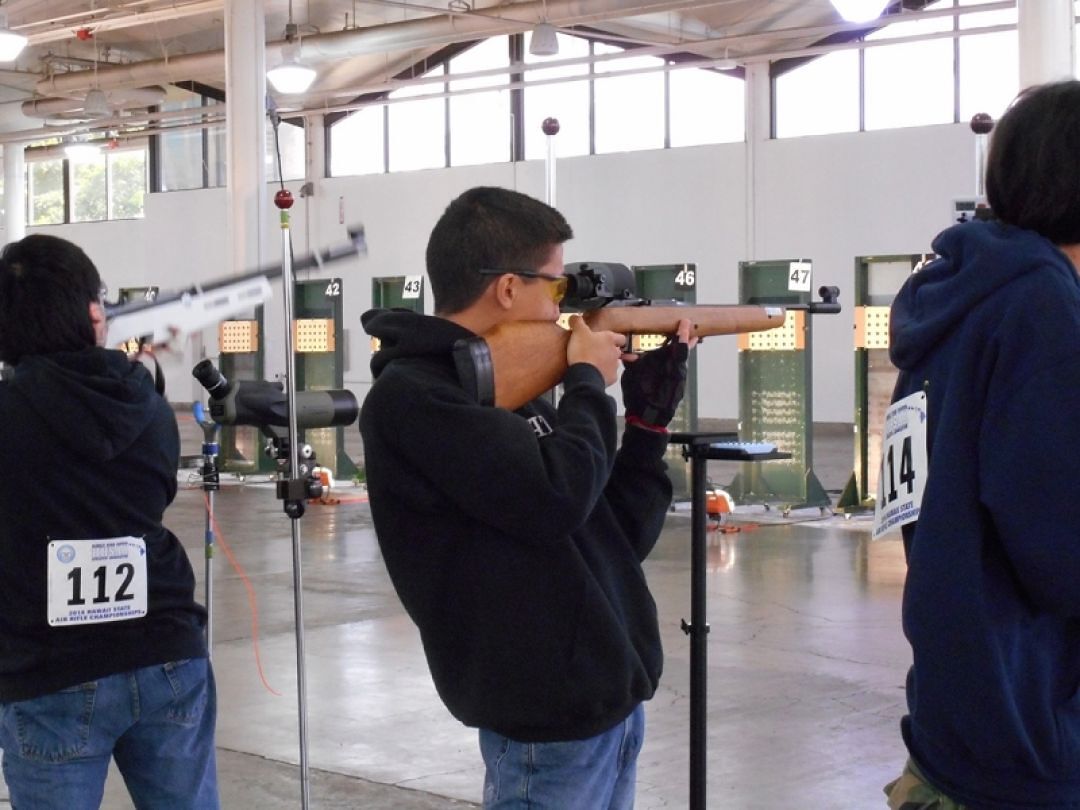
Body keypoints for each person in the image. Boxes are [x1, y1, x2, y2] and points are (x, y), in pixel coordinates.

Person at [359, 185, 693, 809]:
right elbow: (554, 501)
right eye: (557, 287)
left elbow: (614, 534)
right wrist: (588, 384)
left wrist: (647, 427)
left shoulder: (512, 389)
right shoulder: (416, 399)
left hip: (608, 714)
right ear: (509, 288)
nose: (564, 307)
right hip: (546, 726)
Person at [884, 79, 1080, 808]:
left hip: (959, 709)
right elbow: (1062, 546)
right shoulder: (1041, 307)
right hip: (1032, 726)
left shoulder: (960, 299)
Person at [0, 234, 218, 809]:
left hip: (49, 669)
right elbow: (157, 488)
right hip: (166, 648)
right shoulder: (146, 403)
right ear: (94, 314)